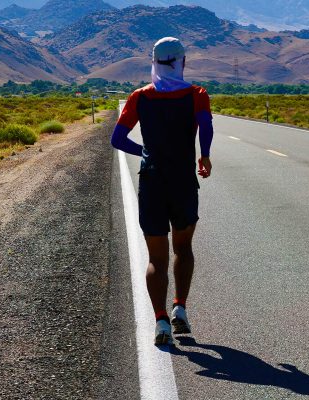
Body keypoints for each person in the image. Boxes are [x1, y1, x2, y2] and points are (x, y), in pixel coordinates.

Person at [111, 37, 214, 345]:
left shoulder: (140, 97)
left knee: (156, 257)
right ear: (183, 62)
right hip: (183, 181)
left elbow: (118, 138)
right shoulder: (197, 94)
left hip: (152, 181)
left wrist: (143, 151)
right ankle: (180, 308)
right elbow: (206, 126)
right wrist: (204, 155)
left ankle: (161, 323)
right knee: (183, 249)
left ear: (153, 62)